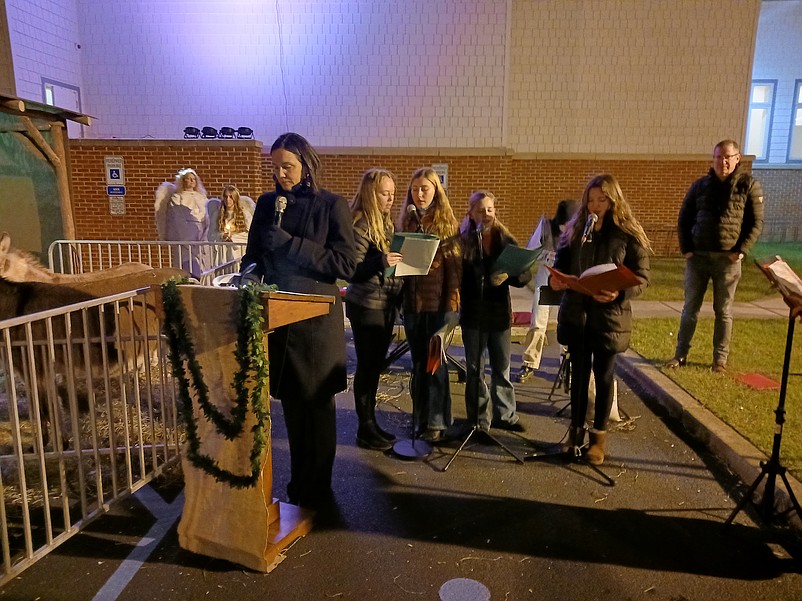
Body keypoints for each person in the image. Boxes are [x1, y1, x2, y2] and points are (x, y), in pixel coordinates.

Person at [240, 132, 357, 509]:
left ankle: (318, 490)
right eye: (274, 167)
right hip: (280, 325)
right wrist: (249, 278)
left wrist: (291, 245)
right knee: (292, 410)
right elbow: (253, 257)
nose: (281, 175)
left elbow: (345, 265)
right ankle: (297, 486)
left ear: (306, 164)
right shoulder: (266, 204)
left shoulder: (331, 206)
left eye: (287, 166)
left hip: (316, 327)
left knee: (317, 411)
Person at [550, 174, 651, 465]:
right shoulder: (576, 230)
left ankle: (599, 438)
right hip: (578, 314)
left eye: (601, 199)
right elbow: (562, 264)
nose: (595, 205)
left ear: (613, 200)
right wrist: (558, 281)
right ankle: (575, 433)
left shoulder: (627, 234)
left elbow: (642, 277)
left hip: (609, 317)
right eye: (591, 200)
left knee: (604, 376)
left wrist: (618, 294)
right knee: (579, 376)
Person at [667, 139, 764, 373]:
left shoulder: (748, 186)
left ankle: (719, 360)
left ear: (737, 158)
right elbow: (684, 218)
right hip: (698, 258)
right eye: (719, 157)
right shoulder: (700, 186)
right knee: (690, 308)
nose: (723, 162)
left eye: (728, 157)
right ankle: (681, 355)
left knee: (724, 311)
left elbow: (756, 222)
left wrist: (741, 251)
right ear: (713, 159)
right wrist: (687, 249)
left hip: (727, 261)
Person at [397, 167, 462, 443]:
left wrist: (451, 307)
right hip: (413, 306)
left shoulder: (447, 225)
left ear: (436, 191)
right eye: (415, 189)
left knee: (435, 365)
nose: (419, 194)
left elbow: (455, 271)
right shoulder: (407, 223)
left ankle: (437, 421)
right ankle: (420, 417)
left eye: (425, 188)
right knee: (418, 364)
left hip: (439, 306)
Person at [459, 190, 531, 434]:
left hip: (499, 313)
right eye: (480, 210)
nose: (486, 214)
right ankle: (479, 420)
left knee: (502, 368)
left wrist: (510, 275)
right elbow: (459, 277)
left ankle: (506, 415)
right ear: (470, 213)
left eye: (490, 209)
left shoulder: (505, 240)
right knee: (475, 370)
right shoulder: (463, 241)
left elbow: (524, 275)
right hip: (473, 314)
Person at [344, 168, 404, 451]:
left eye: (393, 193)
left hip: (384, 303)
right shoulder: (361, 224)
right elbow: (351, 271)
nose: (390, 198)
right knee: (368, 368)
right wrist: (380, 261)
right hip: (366, 304)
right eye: (384, 193)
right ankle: (364, 428)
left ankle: (371, 423)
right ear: (371, 193)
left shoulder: (385, 222)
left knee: (374, 368)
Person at [516, 199, 579, 383]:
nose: (563, 230)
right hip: (546, 278)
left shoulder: (578, 232)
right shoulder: (546, 228)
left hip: (567, 281)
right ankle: (530, 362)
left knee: (566, 325)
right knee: (538, 322)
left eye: (567, 226)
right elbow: (531, 251)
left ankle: (567, 366)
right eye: (561, 226)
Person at [154, 168, 210, 277]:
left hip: (201, 235)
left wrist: (203, 232)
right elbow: (178, 218)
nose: (191, 181)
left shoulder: (201, 197)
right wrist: (188, 233)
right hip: (186, 236)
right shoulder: (177, 197)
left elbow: (206, 216)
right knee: (187, 263)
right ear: (183, 181)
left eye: (193, 179)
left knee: (203, 266)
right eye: (188, 179)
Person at [207, 184, 256, 260]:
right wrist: (222, 236)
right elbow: (211, 234)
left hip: (238, 251)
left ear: (235, 198)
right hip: (223, 252)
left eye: (231, 197)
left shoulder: (244, 213)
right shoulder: (217, 214)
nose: (228, 200)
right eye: (226, 197)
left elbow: (251, 234)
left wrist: (234, 237)